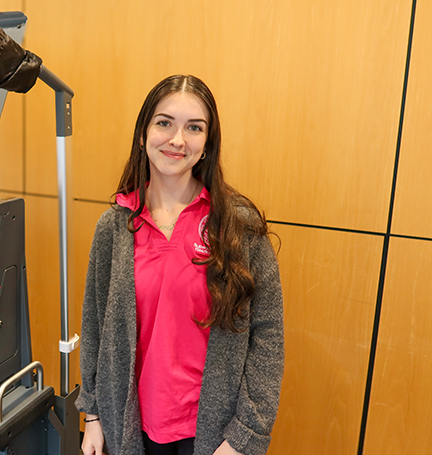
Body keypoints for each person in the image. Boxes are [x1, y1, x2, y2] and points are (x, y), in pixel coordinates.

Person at [75, 75, 284, 455]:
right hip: (131, 428)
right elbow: (94, 325)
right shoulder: (114, 226)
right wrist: (92, 415)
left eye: (194, 128)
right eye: (164, 122)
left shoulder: (237, 227)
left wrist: (244, 438)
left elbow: (267, 337)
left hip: (214, 436)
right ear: (143, 133)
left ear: (207, 144)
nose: (177, 139)